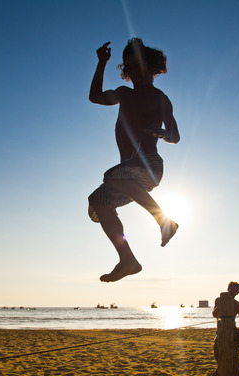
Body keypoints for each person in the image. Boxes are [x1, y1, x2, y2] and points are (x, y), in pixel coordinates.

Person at [88, 38, 180, 283]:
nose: (133, 71)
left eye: (138, 65)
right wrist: (101, 63)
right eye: (128, 66)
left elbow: (175, 136)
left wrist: (162, 133)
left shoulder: (161, 99)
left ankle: (163, 219)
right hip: (127, 174)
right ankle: (127, 259)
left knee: (111, 176)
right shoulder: (123, 94)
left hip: (149, 165)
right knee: (97, 200)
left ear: (151, 67)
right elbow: (95, 96)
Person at [212, 282, 239, 376]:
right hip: (222, 329)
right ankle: (220, 366)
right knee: (216, 347)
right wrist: (221, 304)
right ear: (228, 289)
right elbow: (214, 315)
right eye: (232, 289)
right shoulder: (218, 300)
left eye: (236, 290)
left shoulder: (238, 305)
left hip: (233, 330)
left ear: (237, 293)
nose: (233, 291)